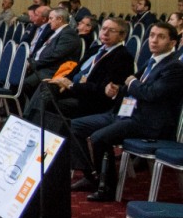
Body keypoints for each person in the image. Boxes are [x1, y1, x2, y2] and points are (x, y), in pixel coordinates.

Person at [69, 21, 183, 202]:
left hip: (149, 123)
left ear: (173, 43)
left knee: (99, 138)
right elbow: (131, 86)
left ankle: (107, 187)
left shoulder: (174, 67)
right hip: (127, 114)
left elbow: (151, 93)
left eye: (161, 37)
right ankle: (91, 175)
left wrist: (132, 83)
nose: (154, 40)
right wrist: (117, 90)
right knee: (75, 126)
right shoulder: (152, 61)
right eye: (152, 35)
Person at [21, 17, 133, 135]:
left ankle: (31, 129)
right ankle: (27, 124)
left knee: (50, 104)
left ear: (122, 35)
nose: (105, 33)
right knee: (46, 86)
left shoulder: (123, 57)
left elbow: (103, 89)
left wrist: (72, 85)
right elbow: (75, 71)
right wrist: (64, 80)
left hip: (90, 99)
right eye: (104, 29)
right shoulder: (95, 50)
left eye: (111, 30)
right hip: (75, 90)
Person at [20, 7, 81, 99]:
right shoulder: (58, 32)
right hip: (43, 66)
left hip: (52, 70)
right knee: (15, 78)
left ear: (60, 19)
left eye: (51, 18)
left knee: (24, 84)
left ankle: (30, 107)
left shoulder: (68, 34)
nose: (48, 22)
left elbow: (55, 55)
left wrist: (34, 64)